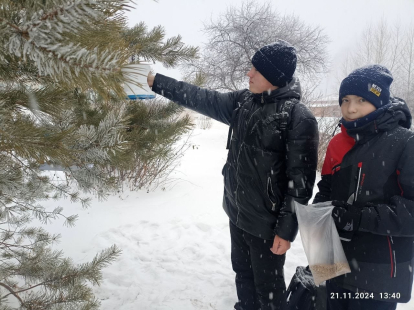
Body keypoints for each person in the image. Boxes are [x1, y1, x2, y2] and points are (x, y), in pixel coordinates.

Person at [147, 40, 319, 310]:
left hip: (267, 226)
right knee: (243, 276)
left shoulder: (297, 117)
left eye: (256, 70)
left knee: (269, 292)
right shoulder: (243, 102)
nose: (249, 74)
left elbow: (300, 185)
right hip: (237, 213)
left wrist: (286, 231)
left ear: (274, 77)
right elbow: (201, 97)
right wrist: (156, 81)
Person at [313, 65, 414, 310]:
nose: (351, 108)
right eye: (345, 100)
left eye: (361, 99)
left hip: (379, 270)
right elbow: (326, 189)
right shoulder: (337, 142)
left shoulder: (404, 142)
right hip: (333, 261)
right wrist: (318, 218)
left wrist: (358, 218)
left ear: (380, 102)